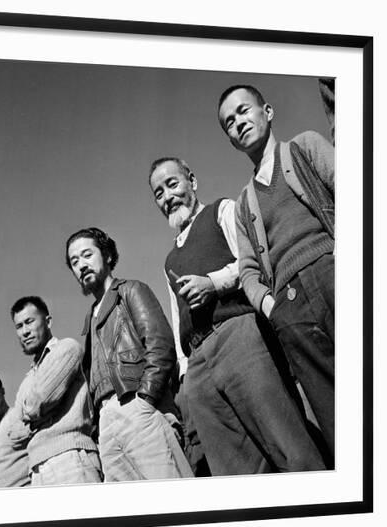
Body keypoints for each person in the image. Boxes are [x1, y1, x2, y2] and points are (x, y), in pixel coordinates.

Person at [148, 157, 327, 475]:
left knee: (288, 445)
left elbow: (252, 263)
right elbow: (178, 318)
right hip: (199, 365)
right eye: (158, 193)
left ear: (192, 181)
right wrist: (187, 375)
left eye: (172, 184)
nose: (167, 197)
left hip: (239, 335)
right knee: (234, 471)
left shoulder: (222, 210)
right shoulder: (168, 260)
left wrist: (213, 284)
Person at [218, 84, 335, 460]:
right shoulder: (243, 204)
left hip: (334, 271)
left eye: (243, 111)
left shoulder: (304, 147)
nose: (238, 123)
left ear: (267, 111)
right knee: (334, 410)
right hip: (290, 307)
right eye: (229, 123)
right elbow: (248, 270)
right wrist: (271, 308)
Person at [66, 227, 193, 482]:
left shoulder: (130, 290)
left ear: (108, 256)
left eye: (87, 255)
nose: (81, 265)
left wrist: (145, 398)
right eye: (74, 261)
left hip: (139, 405)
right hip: (107, 425)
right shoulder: (89, 319)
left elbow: (160, 344)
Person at [8, 296, 102, 486]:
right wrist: (39, 416)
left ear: (48, 321)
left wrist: (32, 415)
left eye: (29, 322)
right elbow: (14, 435)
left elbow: (39, 402)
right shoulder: (27, 380)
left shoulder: (67, 348)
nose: (25, 331)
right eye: (19, 326)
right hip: (36, 470)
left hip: (70, 457)